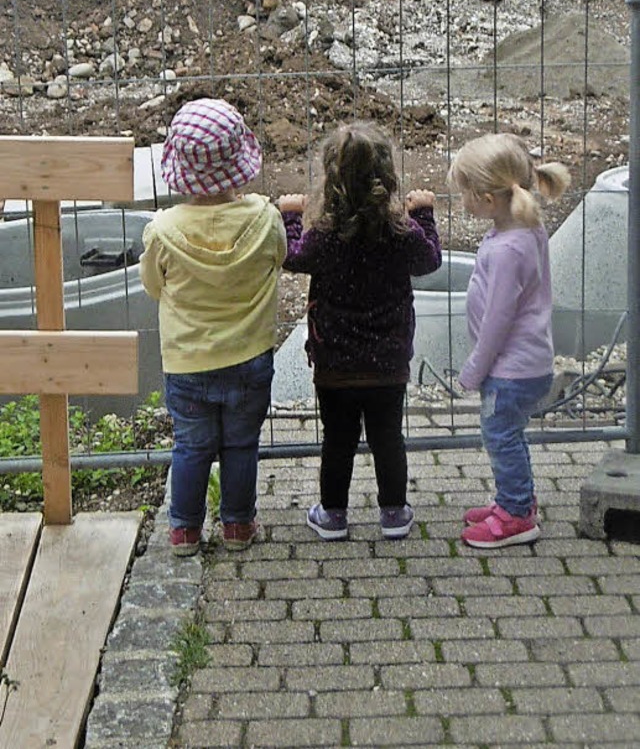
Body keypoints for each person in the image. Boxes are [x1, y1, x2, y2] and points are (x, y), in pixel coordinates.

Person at [277, 121, 442, 541]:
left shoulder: (325, 235)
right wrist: (422, 212)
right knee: (389, 436)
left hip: (335, 361)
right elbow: (430, 261)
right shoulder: (400, 232)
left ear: (331, 179)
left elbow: (293, 258)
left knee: (338, 440)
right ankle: (394, 513)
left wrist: (292, 218)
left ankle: (333, 515)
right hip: (388, 360)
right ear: (387, 177)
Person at [140, 97, 286, 556]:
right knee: (242, 445)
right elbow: (279, 258)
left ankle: (184, 530)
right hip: (249, 356)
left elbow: (152, 286)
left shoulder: (162, 230)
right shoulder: (264, 218)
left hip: (187, 363)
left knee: (191, 446)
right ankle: (238, 527)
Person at [447, 132, 570, 550]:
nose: (461, 200)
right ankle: (512, 500)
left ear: (486, 198)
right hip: (525, 362)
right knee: (508, 435)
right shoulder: (523, 227)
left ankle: (517, 515)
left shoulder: (507, 250)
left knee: (501, 436)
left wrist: (474, 369)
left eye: (465, 192)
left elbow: (499, 319)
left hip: (509, 369)